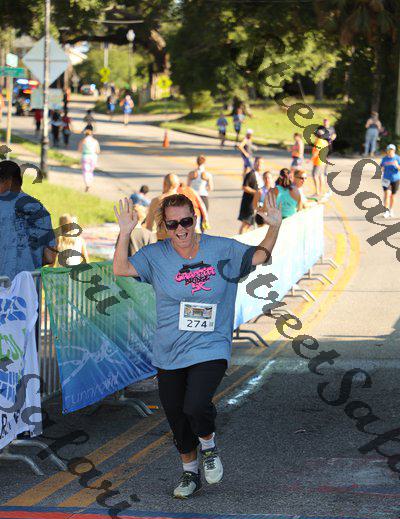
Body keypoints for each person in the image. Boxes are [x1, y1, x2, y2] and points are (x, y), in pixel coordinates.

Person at [113, 192, 282, 498]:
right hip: (169, 350)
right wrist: (125, 232)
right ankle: (190, 474)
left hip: (211, 344)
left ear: (196, 218)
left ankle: (209, 446)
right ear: (164, 225)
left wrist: (274, 226)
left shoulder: (221, 248)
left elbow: (260, 256)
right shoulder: (155, 255)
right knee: (177, 417)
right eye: (172, 224)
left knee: (195, 405)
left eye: (186, 221)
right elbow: (121, 269)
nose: (180, 229)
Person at [0, 161, 56, 280]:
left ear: (6, 182)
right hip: (30, 285)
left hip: (3, 284)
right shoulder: (40, 209)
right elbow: (50, 257)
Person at [238, 156, 264, 234]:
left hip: (256, 203)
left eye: (261, 163)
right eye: (257, 162)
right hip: (248, 203)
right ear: (254, 163)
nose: (259, 164)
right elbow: (244, 187)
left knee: (249, 225)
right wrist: (255, 193)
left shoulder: (259, 175)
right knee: (246, 224)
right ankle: (240, 240)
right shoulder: (250, 174)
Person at [380, 144, 400, 218]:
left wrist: (397, 166)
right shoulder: (384, 159)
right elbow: (381, 167)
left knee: (392, 196)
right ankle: (386, 211)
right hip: (386, 179)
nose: (390, 151)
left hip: (396, 179)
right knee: (387, 194)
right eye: (389, 150)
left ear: (394, 150)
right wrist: (382, 169)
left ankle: (391, 210)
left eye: (391, 150)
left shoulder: (398, 158)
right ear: (387, 151)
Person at [311, 128, 329, 197]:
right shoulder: (325, 142)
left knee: (315, 175)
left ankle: (317, 192)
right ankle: (321, 191)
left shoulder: (318, 141)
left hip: (318, 161)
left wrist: (310, 159)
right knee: (321, 176)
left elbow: (316, 151)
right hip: (323, 161)